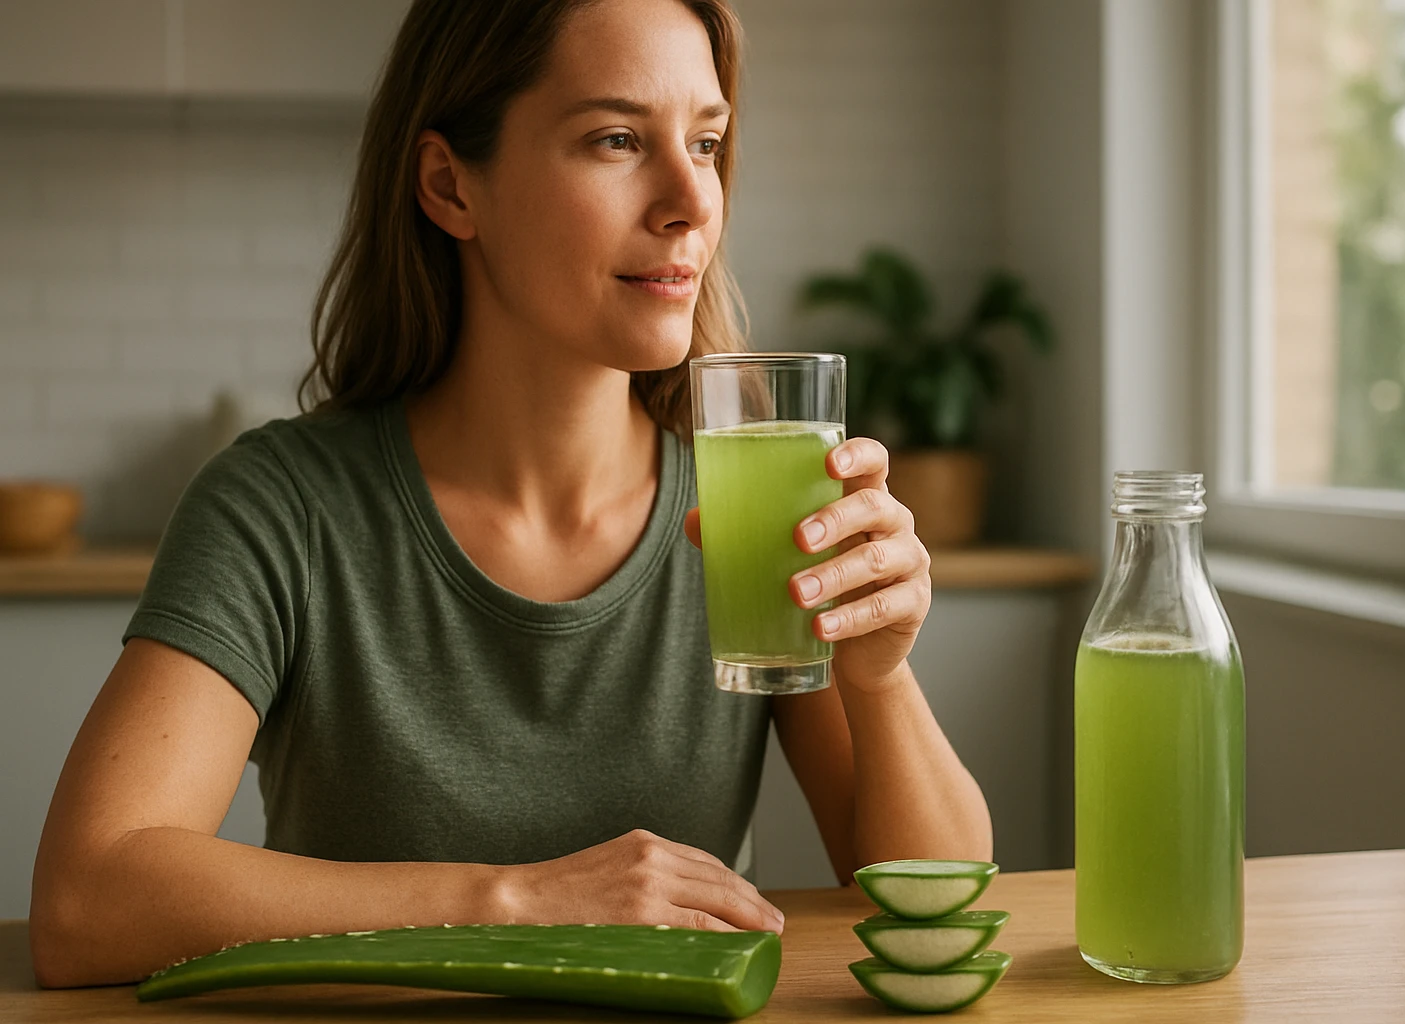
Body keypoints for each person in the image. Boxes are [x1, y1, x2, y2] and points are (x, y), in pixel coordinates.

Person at [29, 0, 992, 988]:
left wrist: (879, 680)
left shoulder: (750, 508)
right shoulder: (280, 509)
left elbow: (933, 911)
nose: (690, 201)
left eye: (705, 142)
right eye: (617, 139)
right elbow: (85, 900)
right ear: (451, 186)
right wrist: (516, 900)